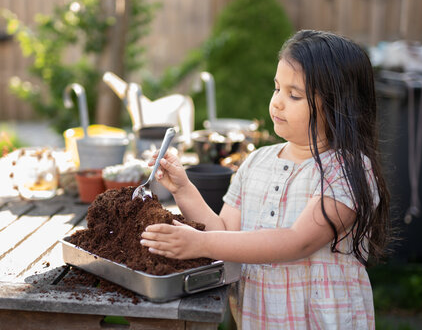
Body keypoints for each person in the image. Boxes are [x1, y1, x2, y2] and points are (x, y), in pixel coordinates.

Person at [140, 30, 391, 329]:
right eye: (276, 89)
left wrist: (201, 244)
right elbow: (224, 234)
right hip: (259, 319)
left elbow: (297, 242)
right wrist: (183, 189)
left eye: (294, 95)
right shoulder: (257, 162)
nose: (278, 103)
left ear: (338, 105)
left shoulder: (347, 170)